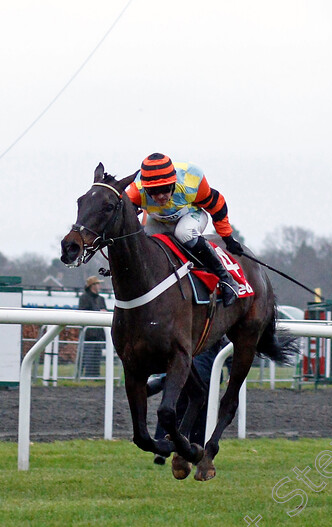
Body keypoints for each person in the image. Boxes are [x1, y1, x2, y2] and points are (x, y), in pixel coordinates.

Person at [125, 153, 244, 307]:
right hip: (158, 219)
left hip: (191, 214)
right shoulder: (135, 191)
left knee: (184, 233)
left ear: (174, 183)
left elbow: (217, 205)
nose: (160, 196)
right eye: (154, 191)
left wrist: (227, 238)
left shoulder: (192, 181)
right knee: (144, 242)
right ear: (145, 189)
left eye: (165, 189)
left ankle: (226, 279)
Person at [147, 337, 230, 465]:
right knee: (199, 417)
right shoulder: (214, 329)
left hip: (182, 373)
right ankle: (196, 449)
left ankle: (161, 448)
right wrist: (231, 371)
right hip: (204, 377)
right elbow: (229, 348)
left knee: (172, 409)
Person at [77, 275, 108, 377]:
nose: (100, 286)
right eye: (98, 283)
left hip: (99, 333)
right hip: (89, 334)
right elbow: (82, 312)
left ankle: (95, 376)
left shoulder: (101, 299)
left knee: (96, 357)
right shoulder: (84, 298)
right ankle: (86, 376)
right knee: (88, 356)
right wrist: (98, 312)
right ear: (92, 285)